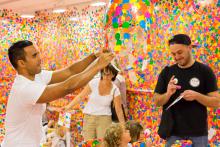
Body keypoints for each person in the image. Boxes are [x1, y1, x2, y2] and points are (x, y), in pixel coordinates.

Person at [2, 40, 114, 147]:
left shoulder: (37, 76)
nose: (40, 58)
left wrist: (94, 56)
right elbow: (68, 87)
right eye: (34, 55)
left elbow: (70, 71)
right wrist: (98, 66)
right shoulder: (24, 88)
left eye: (38, 53)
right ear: (21, 63)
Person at [154, 34, 219, 147]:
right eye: (173, 54)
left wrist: (197, 96)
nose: (176, 57)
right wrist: (168, 93)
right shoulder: (167, 72)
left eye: (180, 52)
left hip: (198, 134)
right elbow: (156, 101)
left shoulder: (205, 71)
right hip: (172, 132)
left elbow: (217, 102)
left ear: (189, 48)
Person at [63, 64, 125, 140]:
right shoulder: (94, 83)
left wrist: (123, 127)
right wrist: (68, 106)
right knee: (88, 142)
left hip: (104, 119)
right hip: (89, 117)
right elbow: (81, 96)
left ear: (113, 75)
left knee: (103, 143)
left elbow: (119, 110)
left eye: (108, 74)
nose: (105, 77)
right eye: (104, 73)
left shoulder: (115, 90)